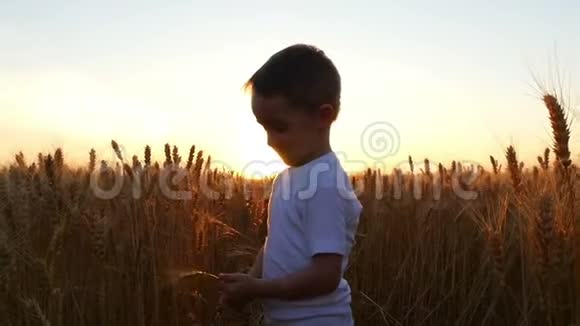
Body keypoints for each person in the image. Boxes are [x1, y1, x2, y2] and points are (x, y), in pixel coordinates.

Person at [218, 43, 363, 326]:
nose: (270, 141)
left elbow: (326, 275)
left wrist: (259, 289)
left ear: (324, 116)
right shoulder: (288, 178)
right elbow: (273, 243)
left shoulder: (324, 184)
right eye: (264, 127)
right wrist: (250, 280)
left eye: (279, 127)